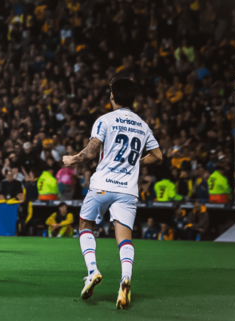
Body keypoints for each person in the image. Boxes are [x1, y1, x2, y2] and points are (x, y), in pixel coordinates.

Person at [63, 78, 162, 309]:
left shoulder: (105, 120)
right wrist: (136, 163)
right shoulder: (143, 125)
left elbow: (91, 150)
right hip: (128, 190)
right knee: (124, 238)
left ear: (112, 97)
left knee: (85, 225)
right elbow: (158, 156)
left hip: (102, 185)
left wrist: (73, 159)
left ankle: (92, 271)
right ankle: (125, 278)